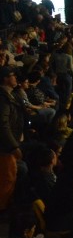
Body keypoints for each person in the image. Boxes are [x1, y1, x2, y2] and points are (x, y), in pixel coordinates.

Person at [0, 66, 24, 212]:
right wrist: (14, 146)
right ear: (5, 79)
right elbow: (3, 125)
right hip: (5, 147)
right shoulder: (3, 99)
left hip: (8, 144)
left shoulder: (9, 96)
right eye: (12, 75)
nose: (15, 77)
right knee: (7, 178)